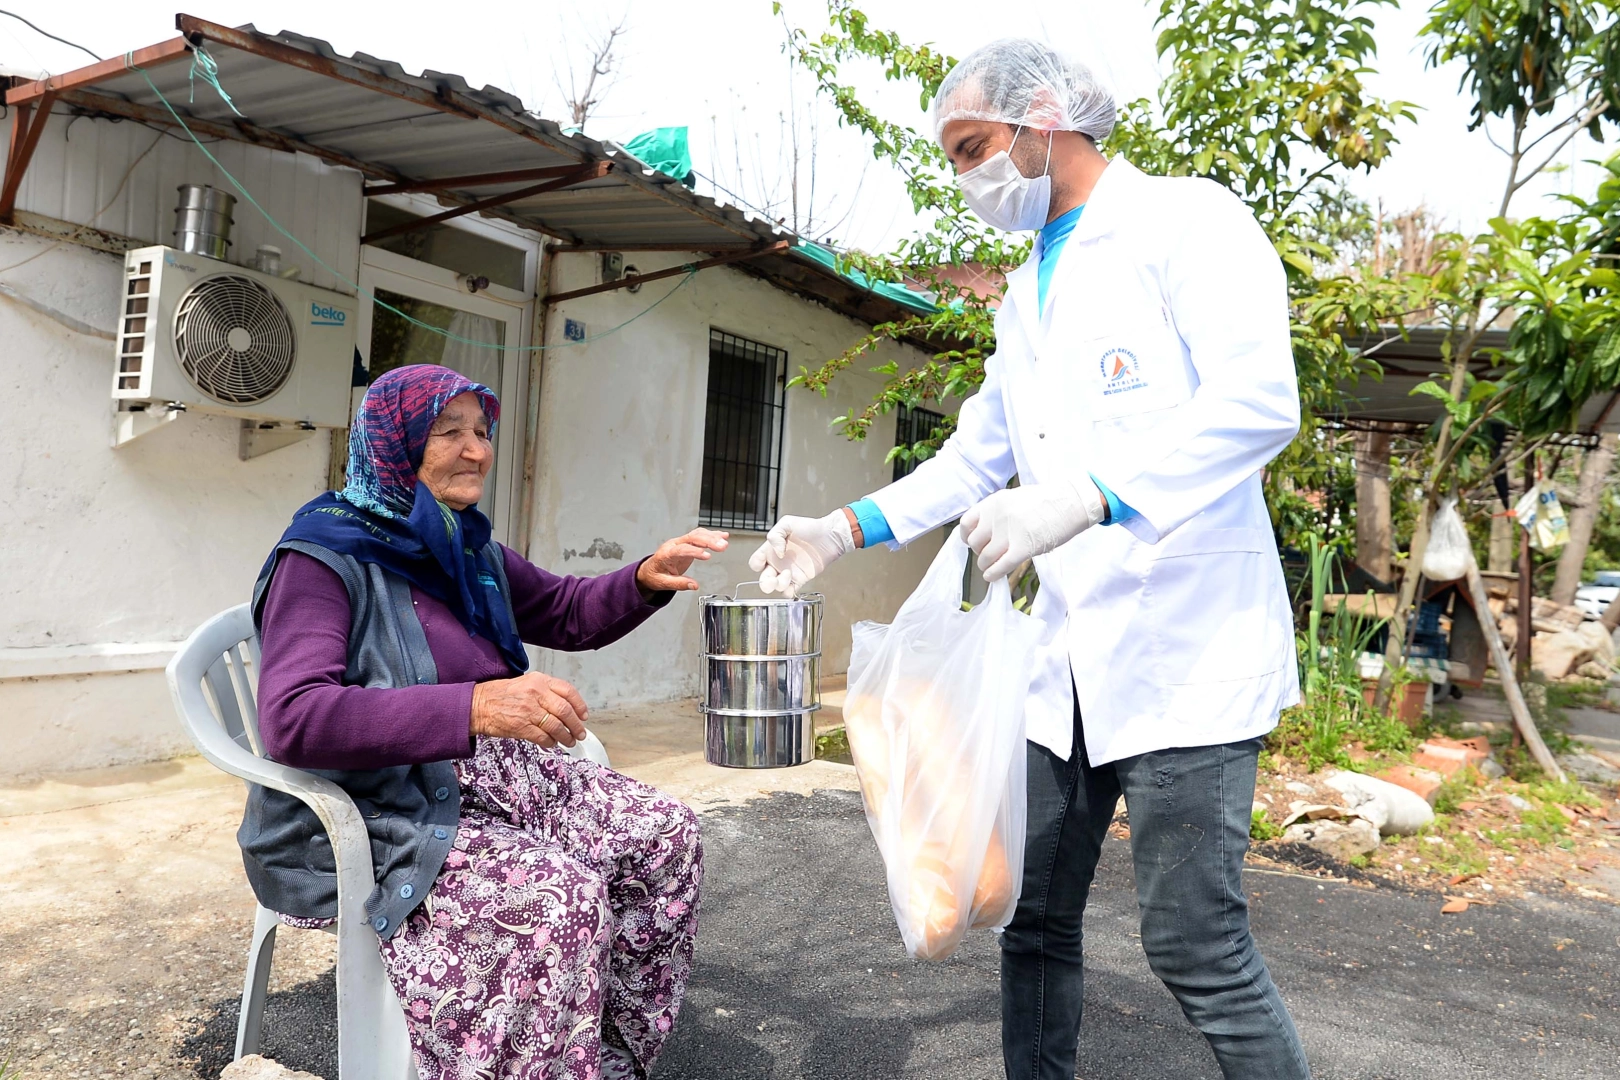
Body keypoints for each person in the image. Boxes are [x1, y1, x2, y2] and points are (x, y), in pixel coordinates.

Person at [749, 38, 1311, 1080]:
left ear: (1044, 117)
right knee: (1029, 915)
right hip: (1066, 663)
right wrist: (841, 529)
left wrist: (1090, 497)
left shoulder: (1187, 222)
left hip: (1188, 649)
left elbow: (1258, 402)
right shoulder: (1025, 290)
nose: (967, 178)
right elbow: (975, 459)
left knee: (1196, 944)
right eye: (955, 159)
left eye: (975, 149)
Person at [246, 363, 725, 1080]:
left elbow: (564, 609)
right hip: (384, 803)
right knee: (558, 902)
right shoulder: (323, 558)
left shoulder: (464, 545)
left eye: (482, 431)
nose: (476, 450)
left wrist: (642, 579)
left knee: (663, 836)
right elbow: (294, 719)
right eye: (449, 432)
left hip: (491, 776)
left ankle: (600, 1060)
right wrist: (474, 706)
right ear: (395, 442)